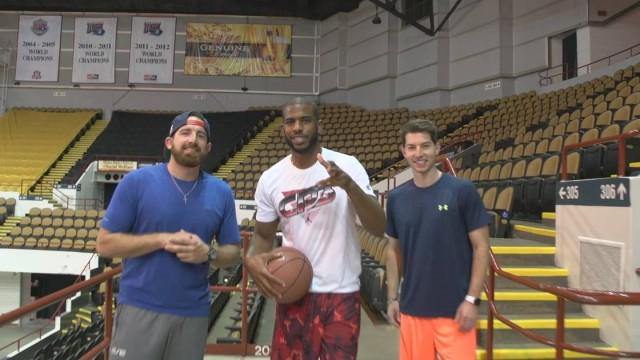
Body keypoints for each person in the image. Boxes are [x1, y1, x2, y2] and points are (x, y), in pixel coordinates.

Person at [246, 97, 386, 359]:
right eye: (291, 122)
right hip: (293, 292)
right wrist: (252, 258)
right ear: (283, 130)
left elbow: (378, 227)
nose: (297, 127)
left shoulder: (348, 165)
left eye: (305, 120)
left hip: (341, 292)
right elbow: (263, 236)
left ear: (319, 126)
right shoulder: (270, 179)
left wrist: (349, 186)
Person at [96, 111, 242, 360]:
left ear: (208, 147)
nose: (192, 139)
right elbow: (105, 244)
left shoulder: (221, 192)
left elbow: (234, 253)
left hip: (193, 313)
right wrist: (161, 240)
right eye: (185, 132)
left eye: (200, 135)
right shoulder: (137, 182)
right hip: (140, 308)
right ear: (169, 142)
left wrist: (208, 253)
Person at [385, 118, 490, 360]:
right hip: (412, 310)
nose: (418, 153)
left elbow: (481, 247)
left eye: (425, 146)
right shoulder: (397, 198)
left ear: (438, 147)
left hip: (456, 310)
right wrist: (392, 297)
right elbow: (393, 250)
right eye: (411, 147)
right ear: (403, 151)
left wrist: (472, 300)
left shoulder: (462, 191)